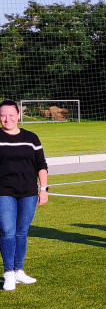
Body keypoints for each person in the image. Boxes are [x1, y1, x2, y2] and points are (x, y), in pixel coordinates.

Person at [0, 99, 49, 291]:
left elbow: (41, 165)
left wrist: (43, 189)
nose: (7, 119)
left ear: (18, 116)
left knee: (22, 232)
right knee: (7, 231)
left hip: (28, 192)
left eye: (11, 115)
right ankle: (9, 273)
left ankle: (19, 270)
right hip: (4, 192)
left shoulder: (31, 138)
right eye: (3, 115)